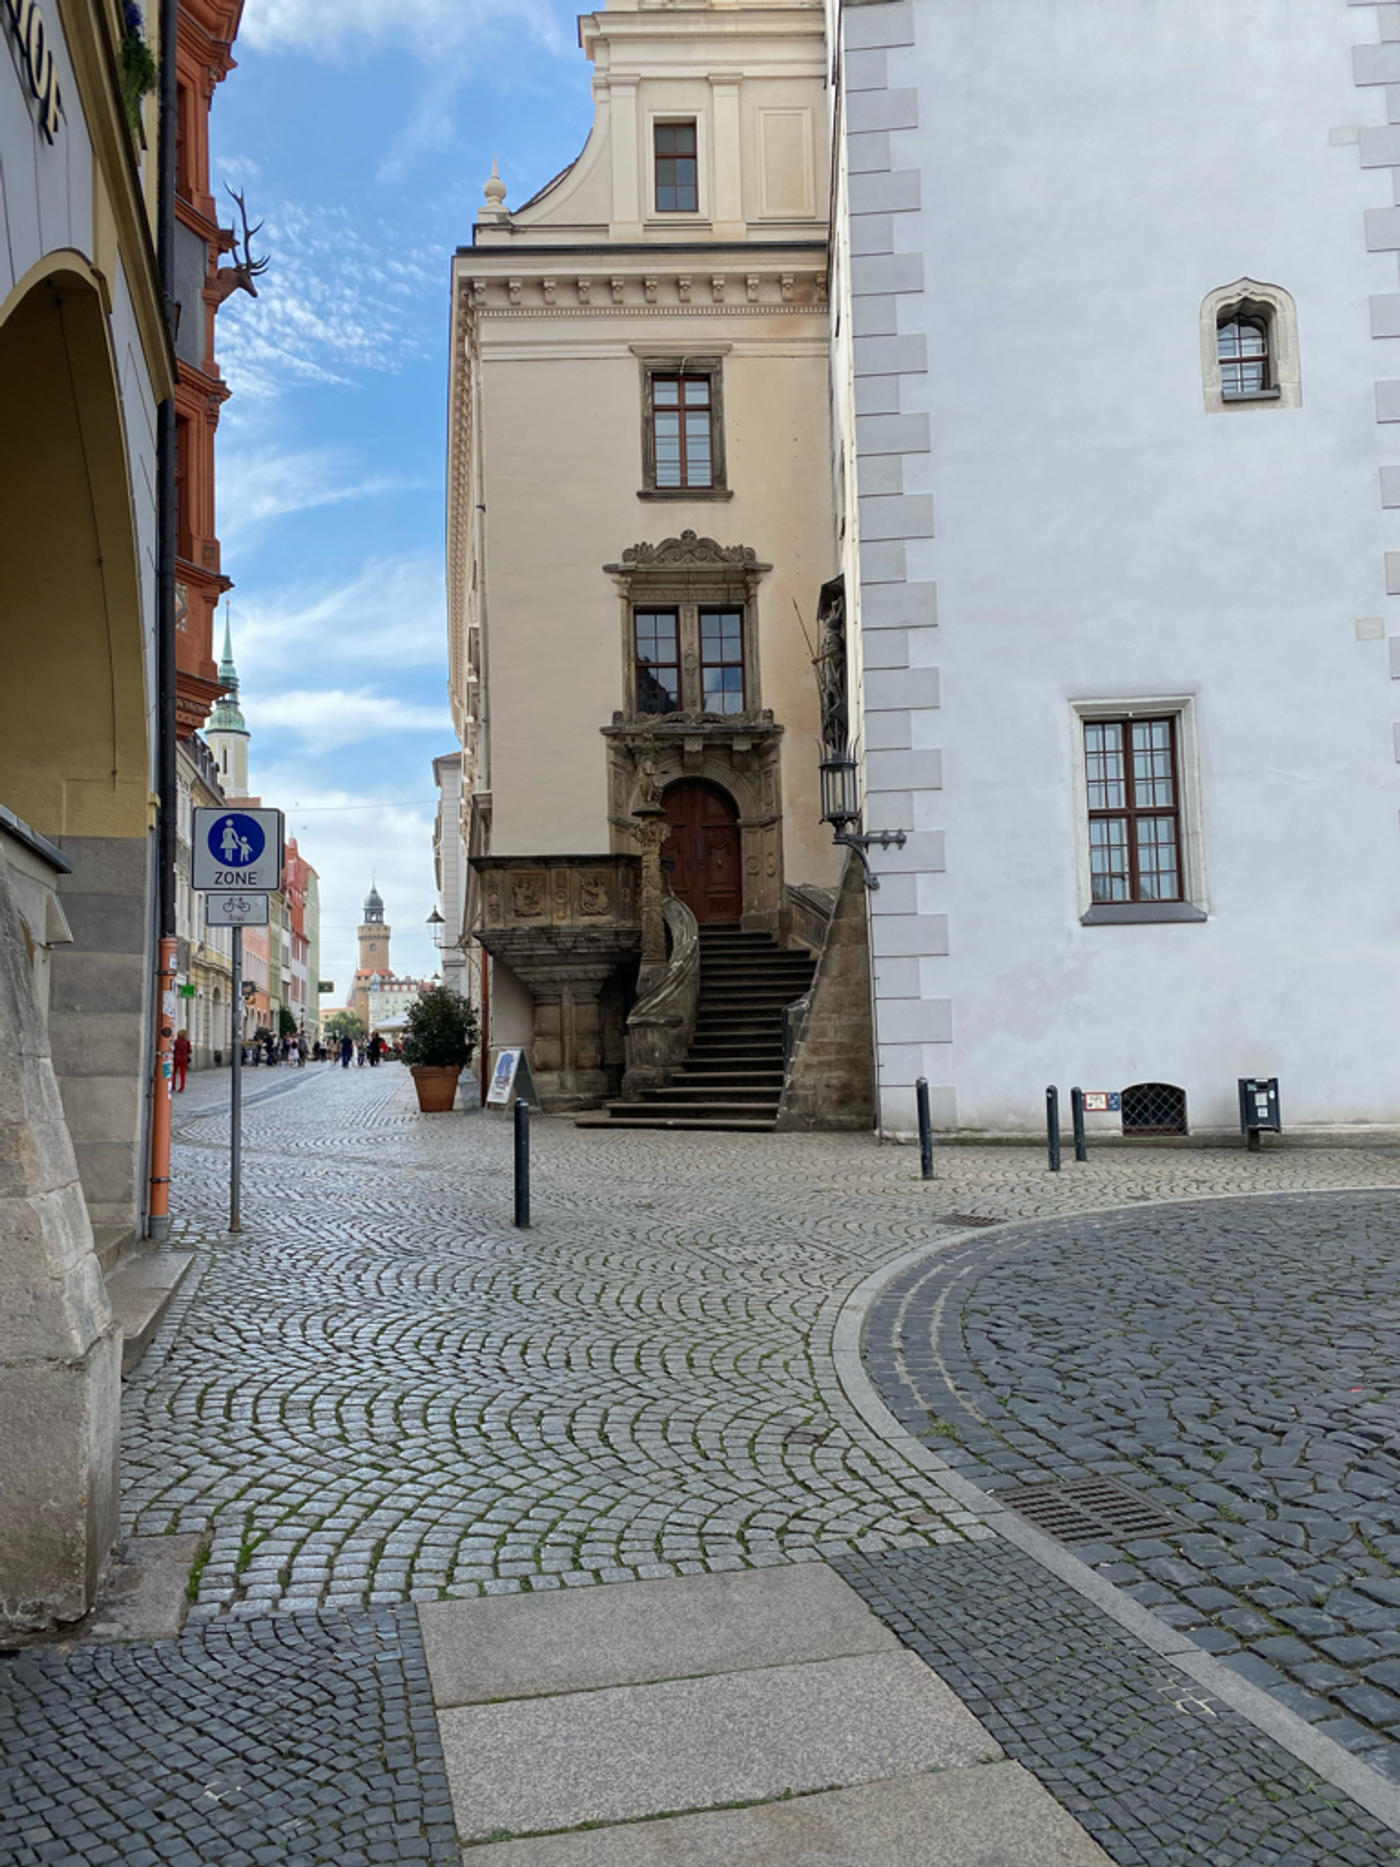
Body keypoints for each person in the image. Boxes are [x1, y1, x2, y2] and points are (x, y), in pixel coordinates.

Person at [172, 1027, 191, 1093]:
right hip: (184, 1059)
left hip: (176, 1058)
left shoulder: (176, 1041)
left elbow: (173, 1049)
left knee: (173, 1073)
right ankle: (182, 1087)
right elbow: (189, 1050)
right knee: (183, 1074)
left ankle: (173, 1086)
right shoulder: (187, 1042)